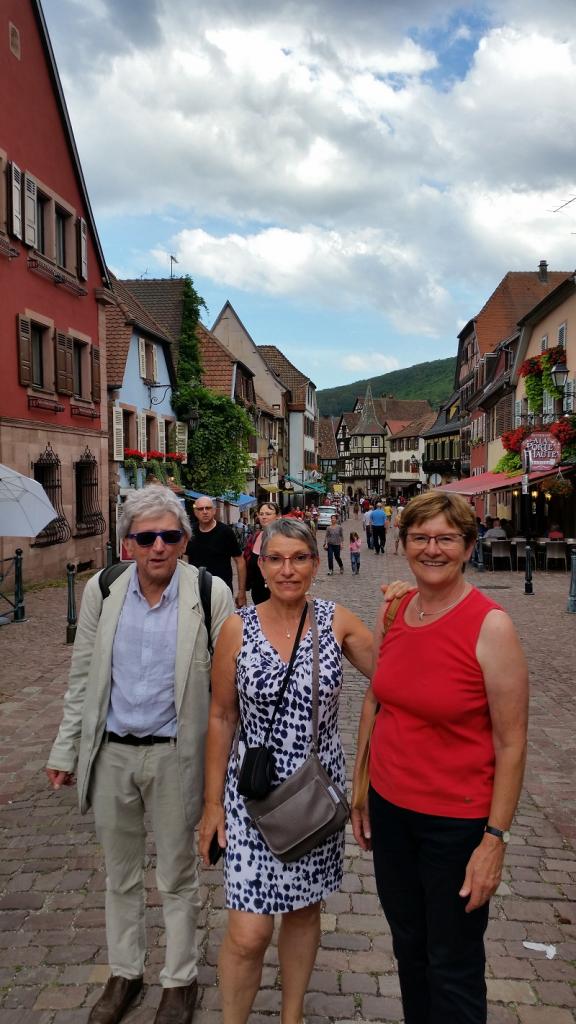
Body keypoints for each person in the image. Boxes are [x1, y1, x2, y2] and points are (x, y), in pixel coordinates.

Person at [46, 487, 235, 1024]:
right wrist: (66, 748)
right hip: (112, 754)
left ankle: (180, 981)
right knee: (120, 874)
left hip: (177, 755)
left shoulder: (209, 591)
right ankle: (125, 973)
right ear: (126, 543)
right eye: (145, 536)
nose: (158, 546)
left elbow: (228, 685)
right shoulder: (101, 590)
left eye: (170, 536)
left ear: (184, 540)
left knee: (177, 875)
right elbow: (82, 675)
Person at [351, 491, 528, 1024]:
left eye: (446, 539)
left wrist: (493, 840)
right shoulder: (395, 608)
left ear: (467, 546)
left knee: (452, 963)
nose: (433, 549)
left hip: (456, 823)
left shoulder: (490, 625)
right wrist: (362, 789)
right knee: (409, 947)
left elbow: (512, 742)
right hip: (390, 810)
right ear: (402, 544)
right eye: (421, 538)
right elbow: (375, 697)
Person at [198, 519, 373, 1024]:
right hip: (250, 793)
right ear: (260, 565)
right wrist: (212, 806)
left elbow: (396, 678)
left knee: (303, 910)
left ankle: (291, 1017)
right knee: (249, 932)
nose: (287, 569)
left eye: (299, 558)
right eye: (275, 559)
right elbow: (221, 715)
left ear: (316, 564)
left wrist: (403, 612)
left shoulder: (336, 621)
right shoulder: (238, 625)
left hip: (315, 793)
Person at [186, 496, 247, 607]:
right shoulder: (190, 532)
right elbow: (185, 559)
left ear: (214, 511)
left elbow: (240, 561)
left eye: (208, 508)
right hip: (196, 591)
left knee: (224, 624)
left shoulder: (225, 532)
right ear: (195, 512)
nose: (205, 512)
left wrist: (242, 592)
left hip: (222, 591)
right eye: (200, 509)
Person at [243, 502, 280, 605]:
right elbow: (245, 562)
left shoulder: (283, 537)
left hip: (278, 591)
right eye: (261, 514)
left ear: (277, 516)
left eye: (268, 514)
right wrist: (243, 588)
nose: (264, 517)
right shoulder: (254, 537)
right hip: (257, 593)